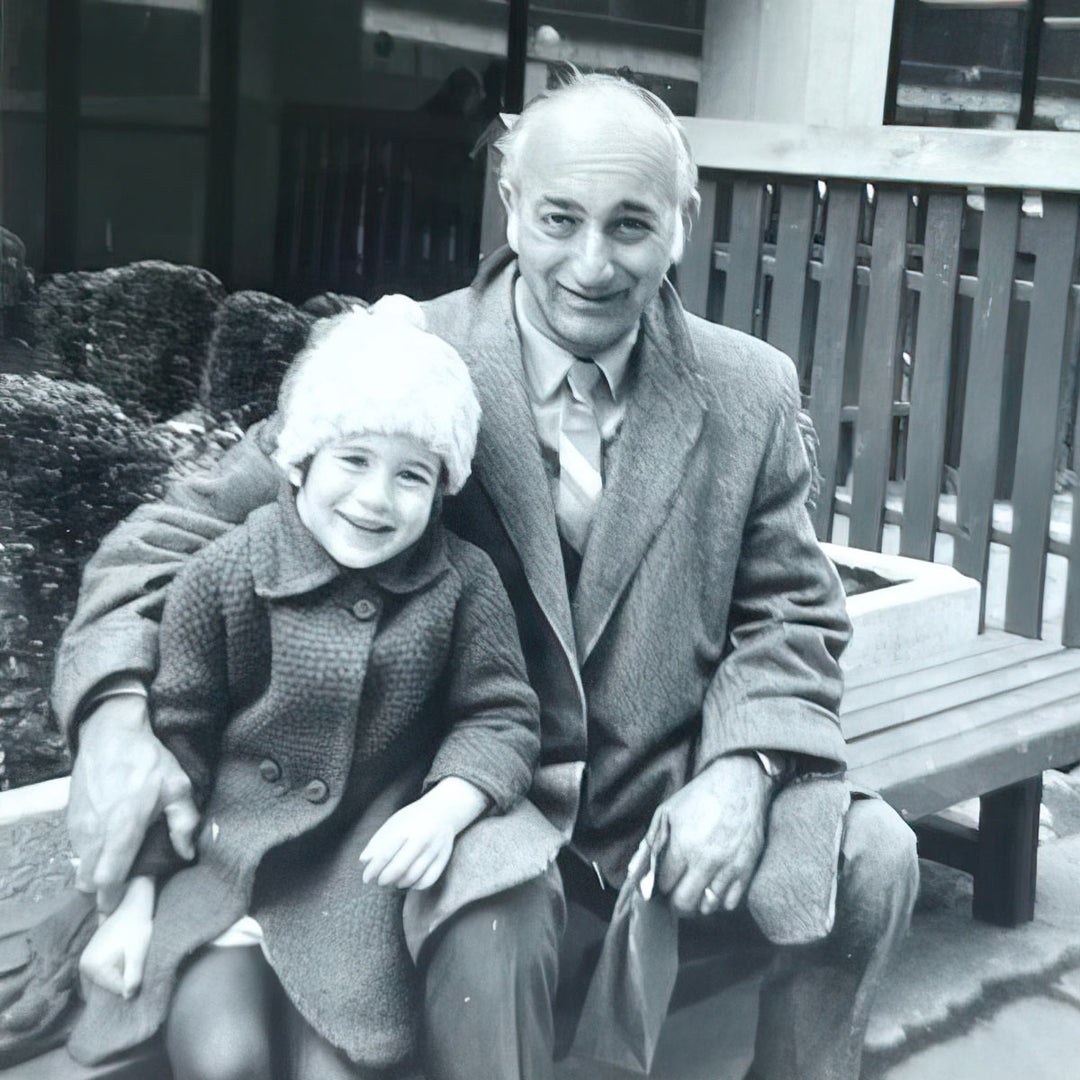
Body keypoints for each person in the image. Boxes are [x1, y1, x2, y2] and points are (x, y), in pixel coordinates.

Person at [54, 72, 919, 1080]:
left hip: (669, 780)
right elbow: (171, 536)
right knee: (486, 916)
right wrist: (115, 718)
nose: (592, 264)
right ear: (510, 204)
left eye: (631, 226)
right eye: (560, 219)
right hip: (469, 791)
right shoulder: (405, 356)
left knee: (874, 858)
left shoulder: (749, 387)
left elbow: (792, 611)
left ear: (682, 226)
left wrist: (746, 766)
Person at [65, 300, 555, 1079]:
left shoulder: (463, 584)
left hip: (356, 886)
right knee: (224, 1060)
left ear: (442, 488)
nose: (374, 499)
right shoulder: (227, 573)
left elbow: (499, 713)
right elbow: (179, 737)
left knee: (339, 1066)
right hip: (225, 873)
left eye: (411, 476)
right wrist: (130, 905)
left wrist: (450, 801)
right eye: (352, 461)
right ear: (298, 462)